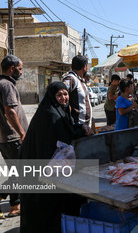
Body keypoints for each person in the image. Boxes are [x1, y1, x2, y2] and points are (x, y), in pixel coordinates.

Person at [20, 82, 87, 233]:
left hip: (47, 163)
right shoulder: (50, 114)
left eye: (65, 94)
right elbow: (64, 136)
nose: (63, 98)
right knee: (46, 203)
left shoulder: (58, 111)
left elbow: (67, 128)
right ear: (52, 96)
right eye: (59, 95)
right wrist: (81, 130)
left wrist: (80, 128)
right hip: (41, 164)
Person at [0, 55, 28, 219]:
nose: (21, 72)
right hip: (12, 139)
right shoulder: (7, 85)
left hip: (3, 139)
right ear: (12, 68)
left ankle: (15, 206)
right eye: (20, 69)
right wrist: (22, 132)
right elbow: (10, 111)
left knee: (16, 173)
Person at [63, 55, 95, 133]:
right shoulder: (71, 79)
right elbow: (61, 96)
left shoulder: (79, 80)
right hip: (78, 128)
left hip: (85, 127)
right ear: (84, 67)